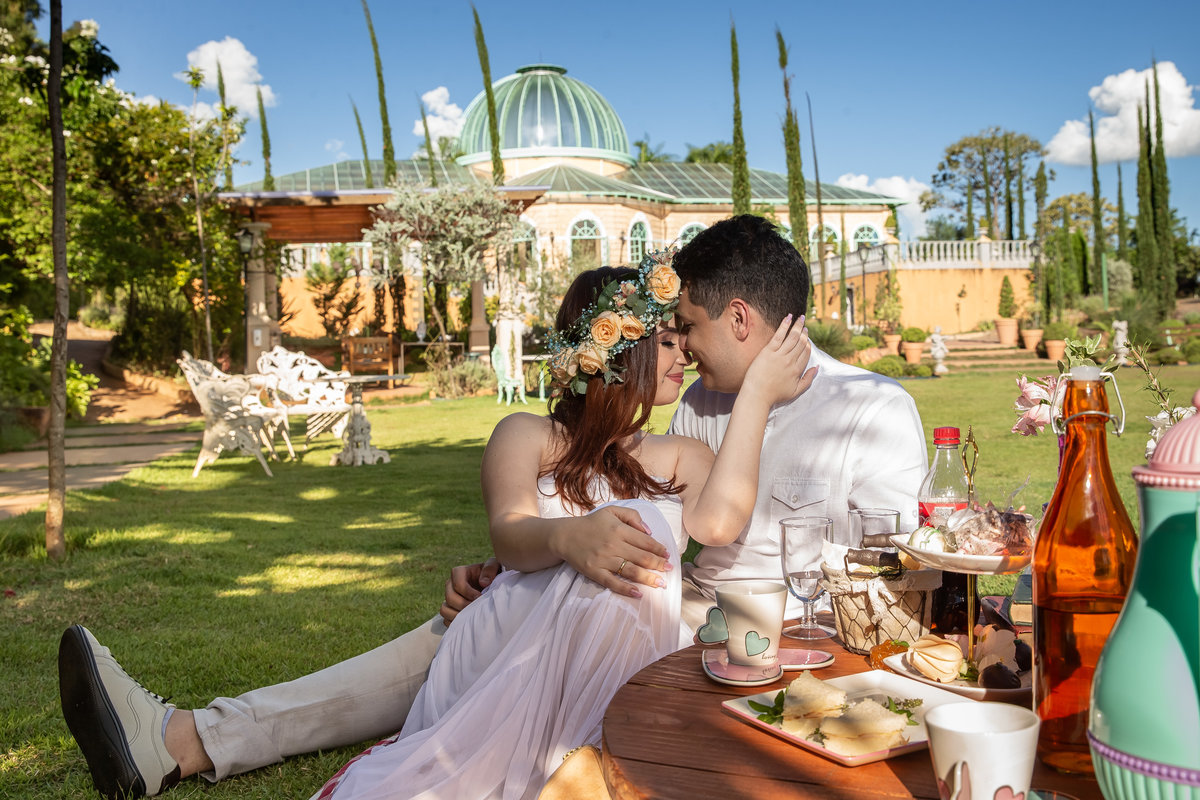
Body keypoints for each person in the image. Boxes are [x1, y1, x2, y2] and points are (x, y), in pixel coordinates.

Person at [58, 214, 927, 798]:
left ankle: (183, 740)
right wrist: (535, 549)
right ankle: (184, 740)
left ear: (739, 321)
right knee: (464, 628)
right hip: (636, 600)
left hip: (741, 635)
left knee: (502, 626)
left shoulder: (869, 410)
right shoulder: (697, 404)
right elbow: (603, 488)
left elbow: (894, 579)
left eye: (688, 330)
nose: (683, 353)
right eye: (668, 340)